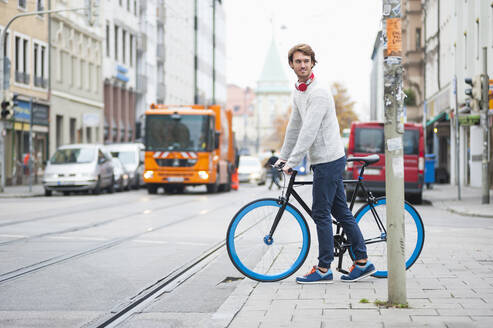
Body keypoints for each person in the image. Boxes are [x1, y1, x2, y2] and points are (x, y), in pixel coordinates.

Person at [274, 44, 375, 283]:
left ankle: (323, 269)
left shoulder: (317, 93)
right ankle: (362, 262)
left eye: (306, 61)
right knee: (340, 211)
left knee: (320, 212)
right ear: (292, 64)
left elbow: (309, 131)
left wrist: (294, 161)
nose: (302, 65)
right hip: (323, 160)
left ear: (312, 63)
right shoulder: (299, 91)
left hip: (328, 160)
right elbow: (294, 126)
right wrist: (283, 156)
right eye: (298, 61)